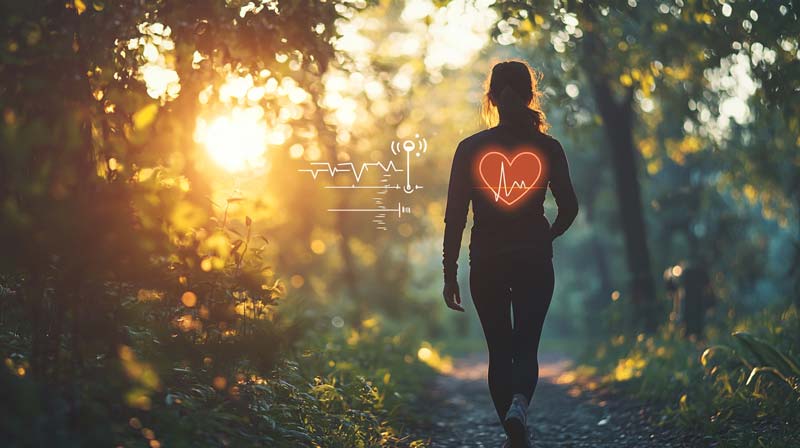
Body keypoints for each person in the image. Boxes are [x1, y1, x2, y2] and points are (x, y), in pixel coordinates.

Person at [442, 60, 579, 448]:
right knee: (527, 346)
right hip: (534, 259)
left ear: (491, 97)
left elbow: (455, 217)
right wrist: (547, 235)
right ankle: (520, 406)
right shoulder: (547, 147)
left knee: (499, 351)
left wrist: (449, 271)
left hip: (485, 261)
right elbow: (569, 207)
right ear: (530, 96)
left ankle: (513, 434)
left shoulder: (470, 149)